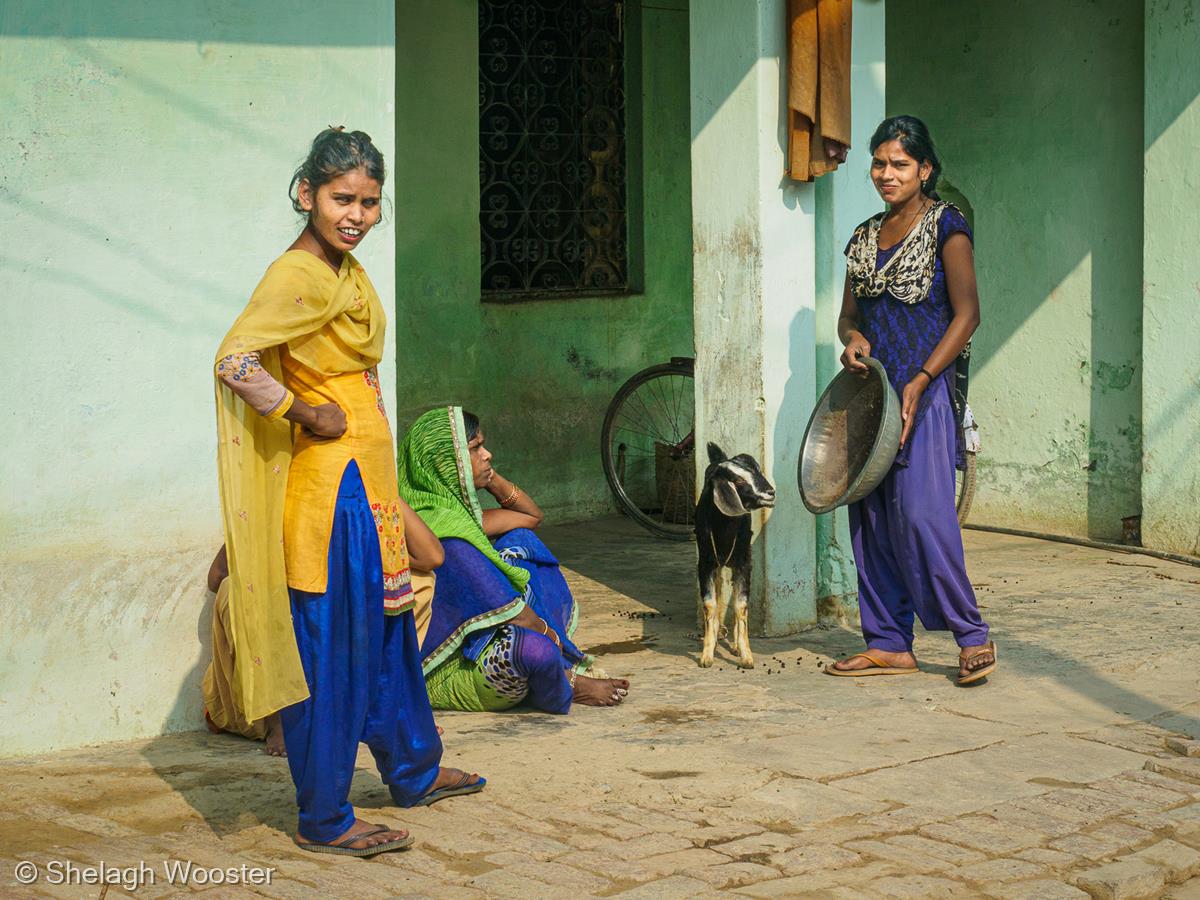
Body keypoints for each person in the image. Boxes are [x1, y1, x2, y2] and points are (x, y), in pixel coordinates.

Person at [212, 128, 484, 858]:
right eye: (341, 199)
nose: (356, 214)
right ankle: (324, 814)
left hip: (370, 485)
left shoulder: (345, 272)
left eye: (369, 201)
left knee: (391, 634)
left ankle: (413, 770)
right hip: (332, 493)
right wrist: (303, 412)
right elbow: (233, 359)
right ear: (307, 195)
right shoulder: (296, 274)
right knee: (335, 646)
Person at [826, 115, 997, 685]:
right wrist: (852, 339)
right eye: (879, 163)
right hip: (872, 394)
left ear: (925, 169)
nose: (887, 174)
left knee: (924, 516)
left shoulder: (947, 226)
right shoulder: (862, 236)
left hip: (924, 391)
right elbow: (850, 315)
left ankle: (971, 633)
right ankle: (889, 642)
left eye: (900, 164)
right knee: (871, 518)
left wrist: (923, 379)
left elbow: (968, 313)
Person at [397, 406, 631, 712]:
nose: (487, 454)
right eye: (475, 448)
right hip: (451, 666)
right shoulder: (444, 533)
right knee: (535, 650)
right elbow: (518, 616)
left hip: (488, 635)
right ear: (446, 462)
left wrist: (490, 478)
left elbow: (530, 517)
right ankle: (566, 683)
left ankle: (550, 673)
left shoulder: (457, 517)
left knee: (521, 544)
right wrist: (551, 637)